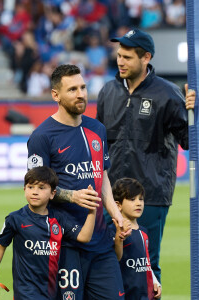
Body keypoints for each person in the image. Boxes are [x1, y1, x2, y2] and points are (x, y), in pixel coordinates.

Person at [96, 28, 196, 283]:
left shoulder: (168, 94)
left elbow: (190, 141)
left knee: (146, 263)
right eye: (119, 55)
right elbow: (100, 144)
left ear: (146, 58)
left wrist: (196, 113)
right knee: (108, 260)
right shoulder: (108, 91)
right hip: (112, 195)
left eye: (127, 57)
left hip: (149, 195)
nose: (120, 61)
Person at [27, 64, 130, 299]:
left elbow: (100, 175)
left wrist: (115, 212)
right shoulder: (42, 137)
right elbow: (36, 190)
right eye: (72, 89)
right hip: (65, 241)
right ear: (56, 95)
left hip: (101, 239)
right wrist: (71, 196)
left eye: (82, 87)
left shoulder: (97, 129)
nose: (81, 94)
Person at [0, 166, 96, 300]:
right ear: (24, 190)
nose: (35, 192)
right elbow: (0, 246)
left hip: (50, 293)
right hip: (25, 294)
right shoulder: (15, 219)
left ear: (53, 193)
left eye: (41, 188)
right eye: (31, 187)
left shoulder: (59, 219)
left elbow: (85, 237)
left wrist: (92, 210)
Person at [111, 177, 162, 299]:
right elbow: (115, 259)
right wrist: (119, 238)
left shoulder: (144, 232)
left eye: (141, 199)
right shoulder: (113, 231)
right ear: (118, 205)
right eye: (132, 199)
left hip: (145, 294)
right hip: (126, 294)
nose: (138, 203)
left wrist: (155, 281)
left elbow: (146, 263)